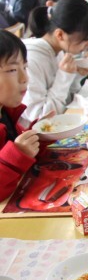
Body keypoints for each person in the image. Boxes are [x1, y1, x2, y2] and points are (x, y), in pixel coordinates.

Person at [22, 0, 88, 121]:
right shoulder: (31, 59)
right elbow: (39, 117)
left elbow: (67, 100)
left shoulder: (58, 50)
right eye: (85, 39)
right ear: (60, 34)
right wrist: (65, 76)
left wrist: (77, 74)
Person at [0, 30, 41, 201]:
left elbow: (20, 148)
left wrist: (39, 136)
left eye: (24, 67)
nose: (25, 78)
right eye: (12, 70)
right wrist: (17, 155)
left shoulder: (5, 112)